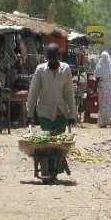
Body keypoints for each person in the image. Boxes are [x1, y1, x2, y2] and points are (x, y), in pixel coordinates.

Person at [27, 43, 77, 180]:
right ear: (46, 58)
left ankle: (55, 170)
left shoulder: (65, 69)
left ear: (58, 57)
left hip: (61, 112)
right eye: (50, 59)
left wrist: (72, 115)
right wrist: (29, 114)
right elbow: (33, 92)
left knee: (58, 144)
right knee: (47, 142)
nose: (52, 62)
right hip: (45, 113)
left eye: (54, 59)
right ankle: (47, 170)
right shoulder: (40, 70)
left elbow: (69, 93)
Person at [95, 51, 111, 128]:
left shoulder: (99, 67)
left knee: (103, 103)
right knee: (110, 103)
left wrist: (94, 89)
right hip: (110, 86)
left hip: (102, 86)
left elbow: (97, 79)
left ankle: (103, 122)